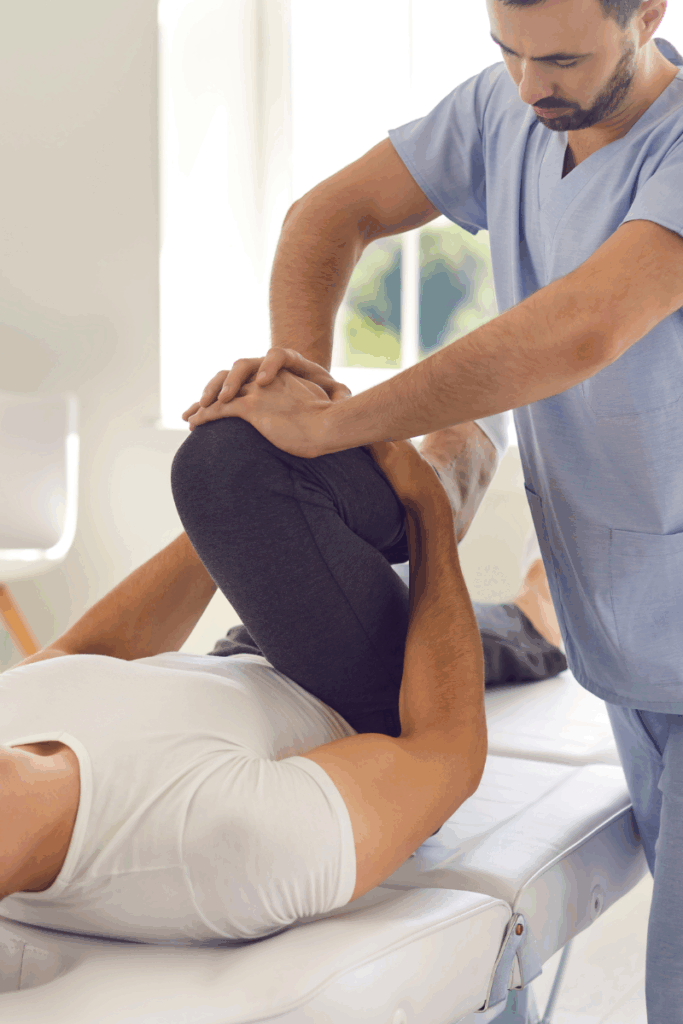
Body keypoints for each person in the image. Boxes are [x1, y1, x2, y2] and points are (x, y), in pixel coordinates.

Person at [182, 0, 683, 1017]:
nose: (530, 83)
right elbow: (326, 215)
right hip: (624, 634)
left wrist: (339, 425)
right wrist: (299, 379)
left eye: (559, 58)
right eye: (504, 52)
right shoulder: (505, 112)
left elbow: (583, 326)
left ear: (649, 16)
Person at [0, 411, 565, 945]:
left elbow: (90, 652)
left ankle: (451, 459)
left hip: (237, 668)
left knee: (232, 457)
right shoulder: (209, 843)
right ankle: (532, 608)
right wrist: (427, 513)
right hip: (356, 705)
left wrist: (223, 527)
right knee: (229, 463)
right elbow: (447, 757)